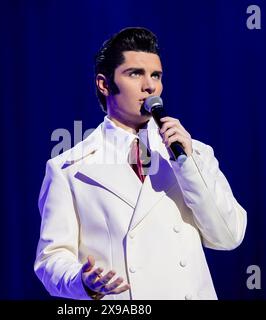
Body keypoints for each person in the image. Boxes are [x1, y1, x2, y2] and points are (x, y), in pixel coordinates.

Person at [34, 27, 247, 300]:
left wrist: (187, 163)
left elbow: (229, 237)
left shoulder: (195, 154)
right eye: (136, 73)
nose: (150, 86)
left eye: (156, 75)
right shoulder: (68, 168)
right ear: (104, 83)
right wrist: (81, 281)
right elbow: (51, 259)